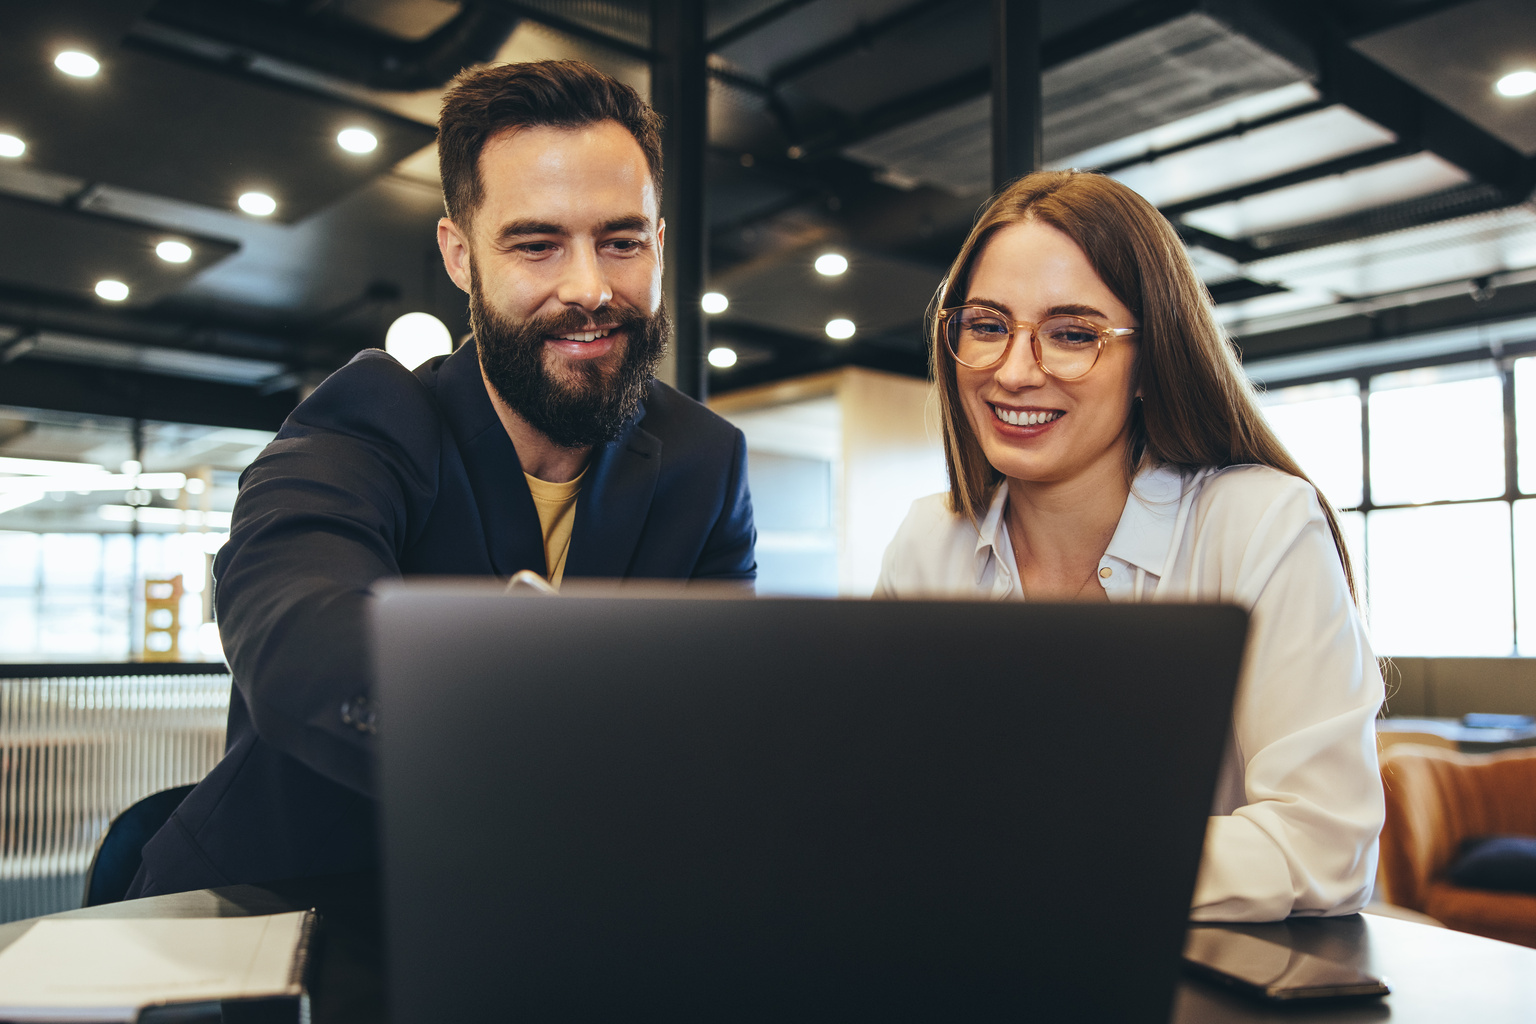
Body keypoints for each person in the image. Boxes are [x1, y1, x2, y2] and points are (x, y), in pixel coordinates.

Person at [129, 60, 756, 898]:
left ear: (659, 244)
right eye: (537, 244)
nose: (591, 288)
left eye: (621, 240)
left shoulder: (704, 459)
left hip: (571, 921)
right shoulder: (367, 420)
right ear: (460, 257)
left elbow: (728, 714)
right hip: (299, 913)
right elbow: (296, 633)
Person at [876, 170, 1383, 922]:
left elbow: (1322, 846)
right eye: (987, 325)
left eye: (1074, 334)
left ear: (1151, 363)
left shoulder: (1259, 523)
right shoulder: (930, 539)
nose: (1014, 372)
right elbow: (886, 804)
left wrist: (1040, 860)